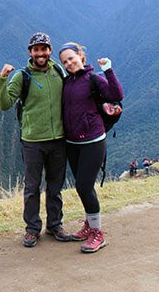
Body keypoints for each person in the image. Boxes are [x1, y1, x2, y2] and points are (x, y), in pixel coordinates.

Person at [0, 32, 71, 248]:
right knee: (32, 187)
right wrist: (2, 79)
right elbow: (4, 103)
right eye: (36, 49)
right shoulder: (22, 77)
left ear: (49, 51)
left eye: (44, 48)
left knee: (56, 186)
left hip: (58, 139)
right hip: (33, 141)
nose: (41, 53)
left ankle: (55, 225)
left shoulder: (58, 71)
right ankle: (32, 229)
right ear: (30, 52)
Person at [58, 42, 124, 253]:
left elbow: (116, 95)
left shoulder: (94, 79)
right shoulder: (67, 82)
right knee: (83, 186)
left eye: (71, 58)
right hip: (73, 143)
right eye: (64, 62)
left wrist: (108, 70)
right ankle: (89, 225)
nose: (69, 63)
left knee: (83, 187)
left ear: (80, 55)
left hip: (93, 142)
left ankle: (97, 233)